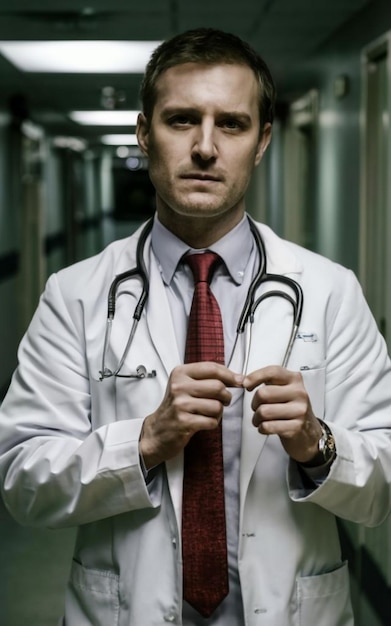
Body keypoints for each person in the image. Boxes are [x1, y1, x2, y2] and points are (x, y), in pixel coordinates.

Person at [0, 27, 391, 626]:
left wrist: (317, 445)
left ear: (261, 142)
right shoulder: (75, 295)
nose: (206, 147)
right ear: (143, 132)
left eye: (231, 124)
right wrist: (145, 441)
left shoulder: (329, 291)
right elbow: (22, 480)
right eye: (181, 120)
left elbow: (383, 483)